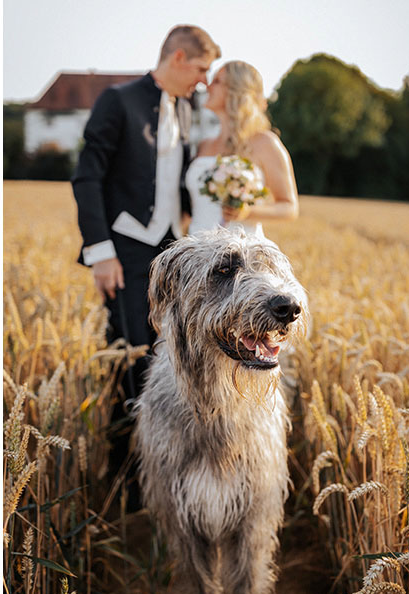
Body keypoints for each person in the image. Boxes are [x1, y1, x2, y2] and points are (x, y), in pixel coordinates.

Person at [71, 25, 220, 507]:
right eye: (200, 69)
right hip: (125, 251)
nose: (203, 81)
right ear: (178, 57)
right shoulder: (118, 101)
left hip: (171, 254)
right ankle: (124, 484)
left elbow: (177, 181)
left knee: (168, 360)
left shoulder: (187, 107)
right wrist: (101, 251)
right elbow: (87, 176)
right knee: (129, 358)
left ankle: (166, 469)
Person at [185, 60, 299, 236]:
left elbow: (289, 207)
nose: (208, 86)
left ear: (235, 91)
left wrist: (248, 212)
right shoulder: (203, 145)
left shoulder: (265, 142)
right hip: (196, 253)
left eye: (217, 81)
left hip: (240, 252)